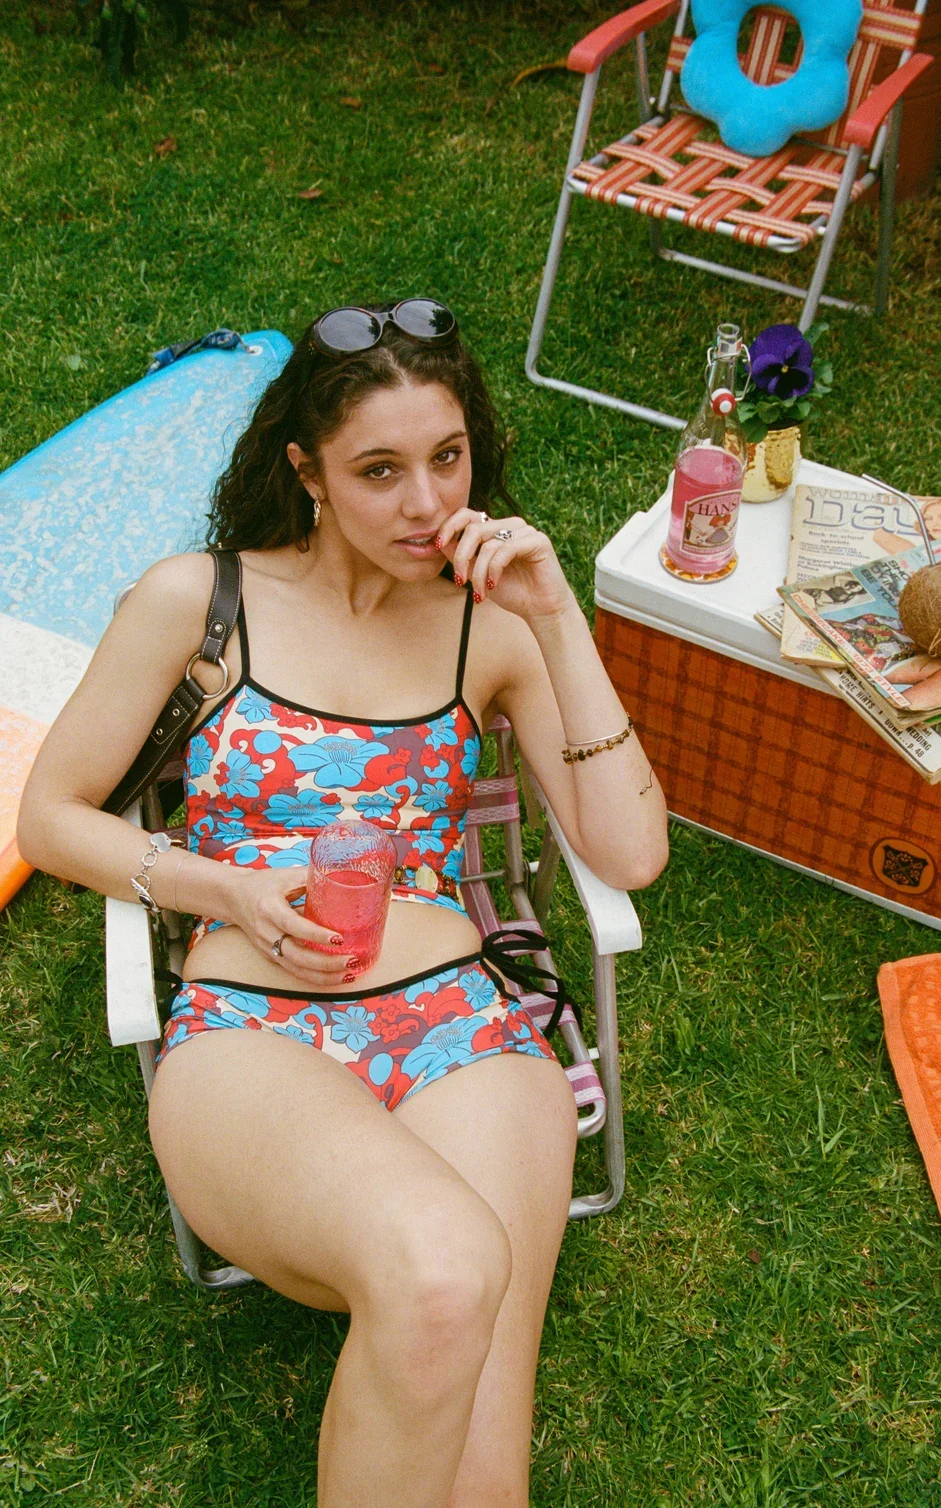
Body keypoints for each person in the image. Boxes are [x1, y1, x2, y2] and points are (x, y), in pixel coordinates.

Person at [18, 300, 670, 1508]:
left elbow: (628, 852)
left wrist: (555, 614)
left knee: (487, 1461)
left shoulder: (491, 625)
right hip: (250, 1032)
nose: (426, 502)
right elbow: (51, 816)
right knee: (443, 1268)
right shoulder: (199, 601)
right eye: (379, 470)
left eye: (448, 456)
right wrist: (215, 884)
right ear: (306, 472)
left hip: (467, 1031)